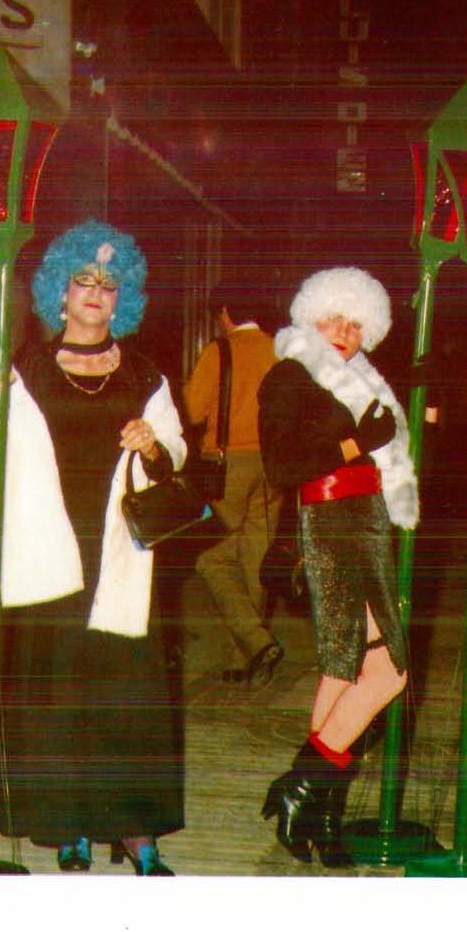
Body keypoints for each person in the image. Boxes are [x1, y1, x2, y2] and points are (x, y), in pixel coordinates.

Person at [0, 220, 187, 873]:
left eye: (108, 283)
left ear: (124, 298)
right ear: (60, 293)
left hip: (120, 554)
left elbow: (176, 453)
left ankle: (135, 833)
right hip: (50, 551)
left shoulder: (146, 373)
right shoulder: (22, 370)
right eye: (83, 280)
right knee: (59, 694)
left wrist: (154, 445)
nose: (95, 292)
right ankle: (67, 824)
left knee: (126, 695)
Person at [257, 267, 418, 866]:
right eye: (333, 320)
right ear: (310, 317)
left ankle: (316, 814)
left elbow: (384, 444)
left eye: (355, 323)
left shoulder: (361, 378)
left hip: (366, 523)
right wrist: (354, 444)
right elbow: (281, 463)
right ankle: (301, 783)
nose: (344, 332)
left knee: (344, 668)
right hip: (330, 526)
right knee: (389, 673)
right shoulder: (290, 375)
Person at [182, 280, 282, 686]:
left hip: (226, 467)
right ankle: (243, 660)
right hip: (273, 466)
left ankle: (256, 641)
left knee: (212, 558)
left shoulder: (218, 351)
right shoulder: (280, 350)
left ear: (225, 313)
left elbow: (191, 411)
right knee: (256, 557)